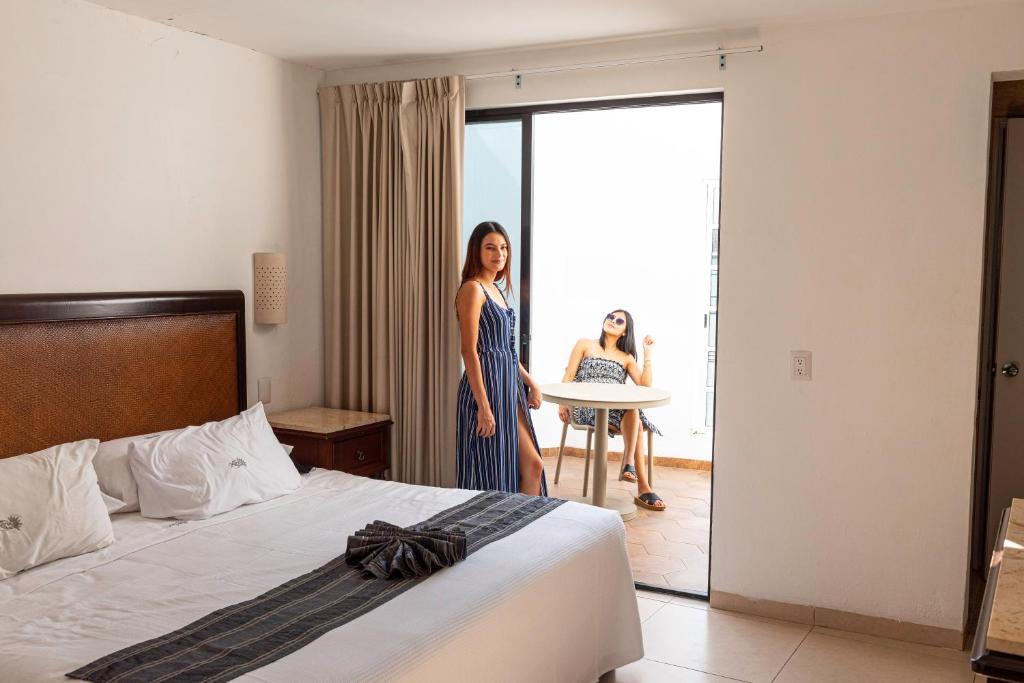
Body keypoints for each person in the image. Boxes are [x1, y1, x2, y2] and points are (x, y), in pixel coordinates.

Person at [455, 221, 547, 496]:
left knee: (533, 465)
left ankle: (524, 531)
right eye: (491, 248)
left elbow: (507, 350)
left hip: (509, 389)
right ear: (477, 251)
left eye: (504, 248)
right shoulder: (472, 289)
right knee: (493, 471)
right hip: (486, 389)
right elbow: (469, 351)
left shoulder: (497, 290)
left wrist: (533, 383)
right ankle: (495, 531)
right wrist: (483, 407)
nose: (500, 254)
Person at [559, 310, 666, 511]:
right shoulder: (585, 344)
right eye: (610, 317)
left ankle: (632, 468)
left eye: (619, 321)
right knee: (636, 419)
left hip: (615, 409)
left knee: (633, 410)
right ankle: (639, 481)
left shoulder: (626, 357)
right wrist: (563, 403)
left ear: (625, 332)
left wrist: (647, 354)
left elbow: (644, 386)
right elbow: (570, 373)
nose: (612, 321)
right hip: (586, 405)